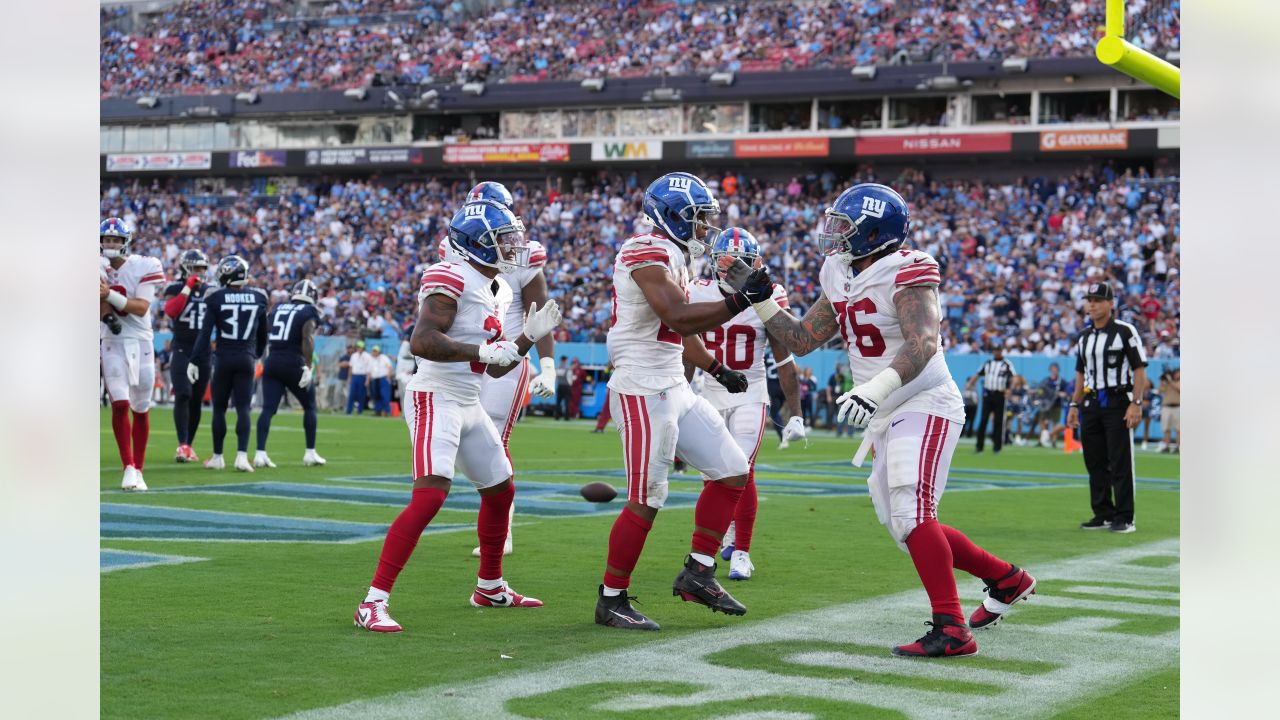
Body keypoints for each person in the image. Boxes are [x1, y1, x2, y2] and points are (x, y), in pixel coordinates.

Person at [725, 182, 1035, 657]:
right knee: (906, 526)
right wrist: (762, 298)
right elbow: (804, 338)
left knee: (914, 515)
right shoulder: (841, 271)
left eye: (846, 227)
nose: (835, 235)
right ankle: (1006, 578)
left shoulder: (907, 270)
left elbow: (923, 342)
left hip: (925, 400)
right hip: (887, 411)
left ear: (874, 232)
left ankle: (952, 629)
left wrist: (875, 387)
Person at [354, 199, 563, 633]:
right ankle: (372, 602)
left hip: (469, 399)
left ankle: (489, 586)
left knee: (501, 488)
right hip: (435, 395)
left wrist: (527, 338)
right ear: (476, 244)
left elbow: (499, 363)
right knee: (430, 495)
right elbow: (423, 340)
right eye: (503, 240)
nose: (513, 246)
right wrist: (481, 350)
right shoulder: (448, 275)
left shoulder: (500, 288)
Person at [594, 171, 762, 632]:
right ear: (671, 216)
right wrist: (739, 302)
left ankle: (699, 571)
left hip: (674, 383)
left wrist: (714, 368)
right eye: (699, 219)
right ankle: (611, 598)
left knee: (732, 471)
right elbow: (677, 315)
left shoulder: (674, 254)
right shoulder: (644, 250)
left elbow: (676, 332)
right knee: (647, 498)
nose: (706, 228)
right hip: (643, 387)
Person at [688, 227, 806, 581]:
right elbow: (686, 348)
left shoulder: (768, 297)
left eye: (744, 264)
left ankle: (742, 552)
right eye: (729, 263)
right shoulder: (696, 291)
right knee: (713, 473)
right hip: (709, 392)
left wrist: (796, 414)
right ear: (714, 265)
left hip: (751, 392)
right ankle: (723, 533)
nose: (736, 271)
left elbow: (784, 359)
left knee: (742, 468)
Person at [469, 182, 559, 558]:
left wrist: (548, 365)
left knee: (495, 441)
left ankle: (500, 530)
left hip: (509, 357)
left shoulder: (524, 256)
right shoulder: (455, 252)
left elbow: (539, 314)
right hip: (469, 355)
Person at [1067, 281, 1149, 534]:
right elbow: (1080, 374)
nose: (1092, 304)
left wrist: (1136, 403)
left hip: (1117, 402)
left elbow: (1139, 370)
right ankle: (1102, 513)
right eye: (1089, 300)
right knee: (1095, 461)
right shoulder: (1083, 337)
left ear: (1110, 304)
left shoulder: (1125, 331)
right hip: (1091, 403)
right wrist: (1073, 404)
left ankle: (1125, 516)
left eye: (1098, 300)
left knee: (1120, 460)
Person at [99, 217, 165, 491]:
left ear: (125, 242)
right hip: (112, 339)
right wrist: (106, 313)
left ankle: (139, 468)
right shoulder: (96, 267)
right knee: (120, 403)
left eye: (115, 239)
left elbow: (141, 307)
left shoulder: (145, 265)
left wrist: (108, 296)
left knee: (141, 406)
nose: (110, 244)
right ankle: (128, 466)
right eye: (106, 239)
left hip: (141, 340)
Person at [189, 255, 269, 472]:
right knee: (243, 408)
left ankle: (218, 457)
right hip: (246, 358)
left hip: (224, 358)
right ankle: (242, 456)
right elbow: (264, 335)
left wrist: (194, 359)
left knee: (219, 409)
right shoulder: (259, 297)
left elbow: (205, 334)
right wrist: (256, 354)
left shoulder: (215, 297)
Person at [253, 279, 325, 468]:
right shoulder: (310, 311)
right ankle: (310, 452)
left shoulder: (278, 308)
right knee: (309, 406)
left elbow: (266, 329)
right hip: (293, 361)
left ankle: (260, 453)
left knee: (268, 409)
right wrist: (308, 366)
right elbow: (307, 337)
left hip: (272, 360)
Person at [162, 248, 211, 462]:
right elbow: (171, 311)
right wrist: (187, 288)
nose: (199, 271)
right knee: (183, 393)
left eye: (202, 268)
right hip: (182, 348)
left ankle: (188, 445)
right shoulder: (175, 287)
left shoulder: (210, 291)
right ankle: (182, 444)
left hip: (203, 352)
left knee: (196, 400)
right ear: (185, 268)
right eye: (195, 268)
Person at [966, 346, 1016, 454]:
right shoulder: (988, 363)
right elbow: (978, 374)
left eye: (998, 350)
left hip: (1000, 394)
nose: (996, 352)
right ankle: (979, 447)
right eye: (994, 350)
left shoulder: (1007, 364)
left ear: (1001, 351)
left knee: (998, 421)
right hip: (988, 394)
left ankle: (997, 447)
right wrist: (970, 384)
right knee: (983, 420)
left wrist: (1009, 390)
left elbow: (1013, 378)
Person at [1036, 362, 1070, 447]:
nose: (1054, 371)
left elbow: (1067, 392)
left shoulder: (1062, 381)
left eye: (1056, 369)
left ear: (1058, 370)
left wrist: (1061, 394)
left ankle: (1054, 441)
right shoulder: (1046, 380)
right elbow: (1040, 390)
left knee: (1055, 422)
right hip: (1046, 405)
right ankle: (1042, 440)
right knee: (1042, 421)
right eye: (1052, 369)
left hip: (1056, 404)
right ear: (1050, 370)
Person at [346, 340, 372, 414]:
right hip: (355, 376)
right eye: (358, 347)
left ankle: (359, 411)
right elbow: (351, 367)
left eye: (360, 347)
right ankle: (349, 410)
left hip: (362, 376)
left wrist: (367, 379)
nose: (359, 348)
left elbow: (369, 369)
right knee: (352, 394)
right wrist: (350, 378)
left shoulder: (367, 356)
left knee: (361, 394)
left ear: (363, 348)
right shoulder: (354, 355)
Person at [368, 345, 394, 416]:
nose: (374, 352)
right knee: (376, 396)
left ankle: (386, 411)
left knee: (385, 395)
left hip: (383, 378)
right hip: (375, 379)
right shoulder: (371, 359)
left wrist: (388, 376)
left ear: (379, 351)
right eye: (373, 351)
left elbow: (389, 367)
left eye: (376, 351)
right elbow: (370, 370)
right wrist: (369, 379)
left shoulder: (383, 357)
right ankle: (378, 411)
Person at [1158, 367, 1180, 453]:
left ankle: (1179, 447)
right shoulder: (1166, 383)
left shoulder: (1179, 382)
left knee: (1179, 429)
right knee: (1166, 428)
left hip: (1177, 407)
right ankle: (1166, 446)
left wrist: (1170, 381)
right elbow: (1160, 391)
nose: (1178, 374)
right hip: (1166, 407)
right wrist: (1163, 382)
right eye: (1177, 373)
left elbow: (1179, 389)